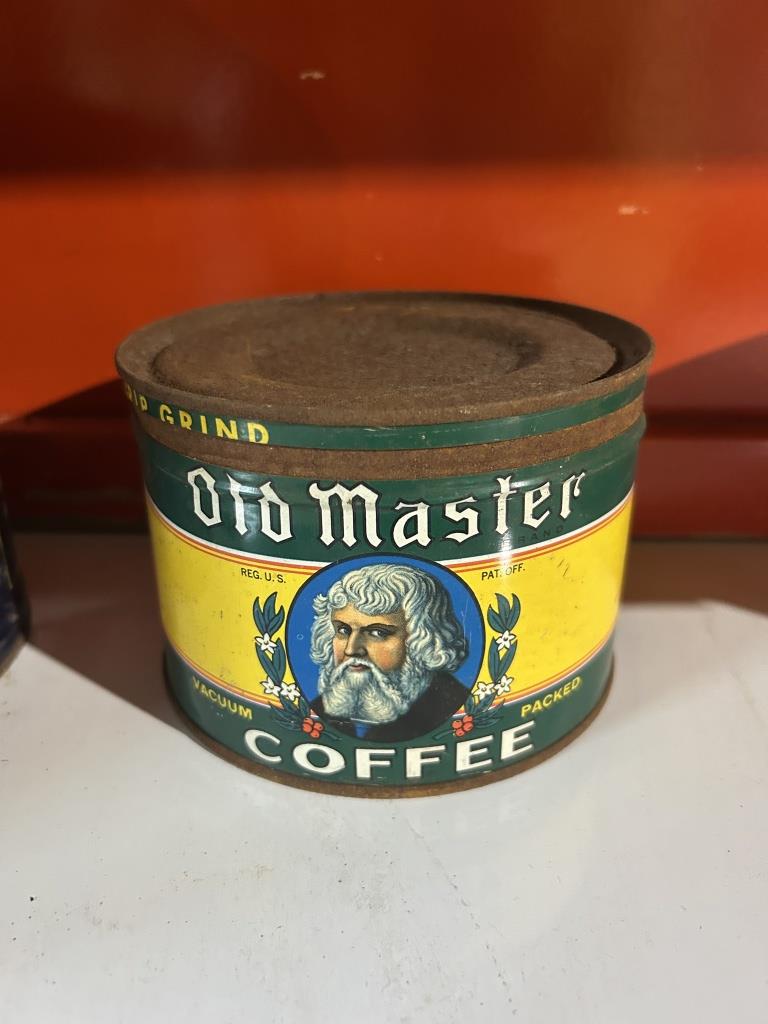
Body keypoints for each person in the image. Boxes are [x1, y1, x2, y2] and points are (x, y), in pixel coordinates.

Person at [309, 562, 469, 741]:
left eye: (378, 633)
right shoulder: (315, 711)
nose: (351, 649)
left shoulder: (458, 708)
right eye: (343, 630)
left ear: (423, 640)